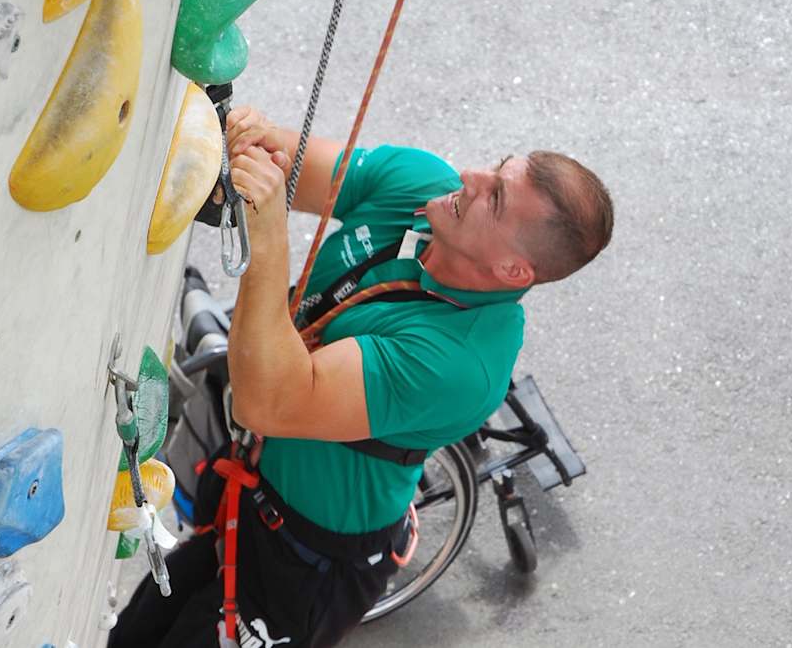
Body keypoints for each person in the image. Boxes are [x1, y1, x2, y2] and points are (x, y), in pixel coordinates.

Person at [110, 107, 614, 648]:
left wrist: (269, 237)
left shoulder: (460, 365)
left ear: (514, 272)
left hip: (307, 566)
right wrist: (248, 141)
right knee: (133, 633)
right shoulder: (424, 187)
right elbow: (288, 164)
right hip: (254, 492)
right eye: (496, 168)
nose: (470, 176)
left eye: (494, 197)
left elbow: (269, 401)